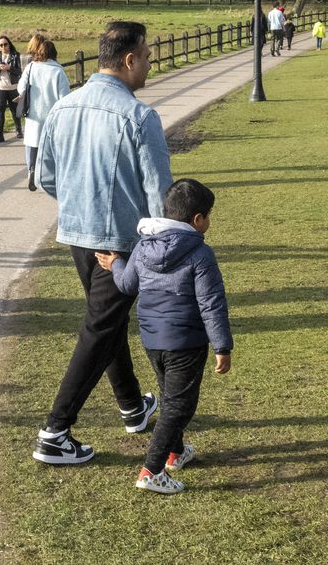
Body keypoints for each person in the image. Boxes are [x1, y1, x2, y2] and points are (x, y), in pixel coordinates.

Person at [32, 21, 173, 465]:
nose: (150, 64)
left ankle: (132, 406)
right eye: (147, 57)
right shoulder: (140, 117)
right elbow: (159, 196)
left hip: (77, 234)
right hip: (121, 243)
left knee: (106, 324)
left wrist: (80, 206)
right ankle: (55, 431)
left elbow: (45, 177)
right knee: (99, 329)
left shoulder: (63, 107)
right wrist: (168, 248)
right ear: (129, 60)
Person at [95, 178, 232, 495]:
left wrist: (117, 264)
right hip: (186, 342)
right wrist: (222, 346)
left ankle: (175, 452)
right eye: (209, 216)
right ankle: (151, 470)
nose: (209, 222)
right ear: (197, 220)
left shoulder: (144, 246)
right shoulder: (200, 254)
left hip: (153, 340)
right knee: (178, 407)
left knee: (170, 397)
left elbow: (128, 285)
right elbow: (211, 303)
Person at [14, 37, 69, 192]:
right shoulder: (58, 71)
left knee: (32, 144)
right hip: (52, 115)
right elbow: (64, 96)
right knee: (52, 146)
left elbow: (21, 88)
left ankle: (31, 170)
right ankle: (50, 176)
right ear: (54, 54)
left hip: (33, 114)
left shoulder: (31, 67)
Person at [0, 35, 23, 143]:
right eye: (1, 45)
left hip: (13, 87)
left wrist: (9, 68)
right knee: (0, 110)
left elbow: (21, 71)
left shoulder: (16, 56)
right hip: (0, 87)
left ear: (9, 44)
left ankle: (19, 130)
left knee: (14, 110)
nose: (3, 47)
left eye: (5, 44)